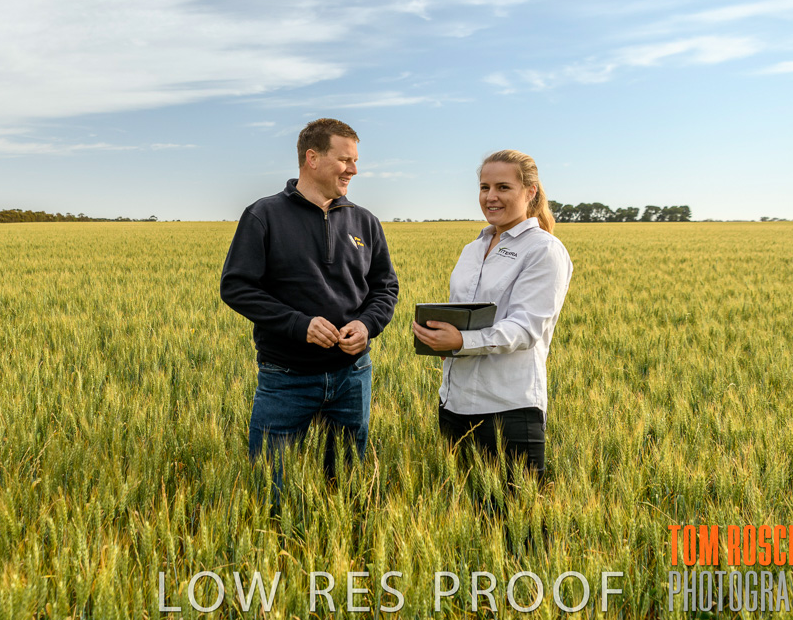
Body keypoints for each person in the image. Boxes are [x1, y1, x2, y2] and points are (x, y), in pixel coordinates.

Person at [220, 118, 399, 479]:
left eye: (355, 161)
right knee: (271, 486)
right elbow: (237, 287)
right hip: (286, 377)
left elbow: (385, 287)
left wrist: (367, 325)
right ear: (312, 158)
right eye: (345, 160)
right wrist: (300, 325)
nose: (353, 170)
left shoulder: (365, 222)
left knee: (346, 485)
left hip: (353, 375)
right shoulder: (263, 215)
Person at [412, 149, 572, 481]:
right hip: (453, 404)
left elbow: (526, 328)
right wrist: (440, 339)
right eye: (485, 187)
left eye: (503, 187)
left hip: (508, 409)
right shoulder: (472, 249)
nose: (490, 196)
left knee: (514, 511)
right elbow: (466, 313)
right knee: (464, 507)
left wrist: (460, 341)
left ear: (530, 192)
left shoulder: (543, 249)